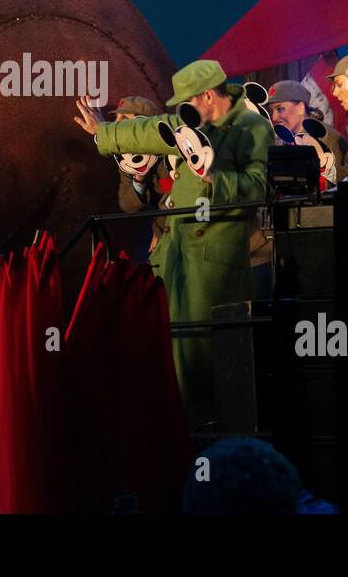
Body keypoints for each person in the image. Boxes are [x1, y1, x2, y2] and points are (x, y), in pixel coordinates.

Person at [75, 59, 270, 423]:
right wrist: (103, 133)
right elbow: (154, 129)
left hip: (213, 259)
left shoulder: (251, 126)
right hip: (174, 256)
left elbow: (258, 189)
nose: (183, 111)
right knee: (168, 352)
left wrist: (213, 174)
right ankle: (174, 437)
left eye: (189, 102)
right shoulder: (192, 121)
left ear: (208, 95)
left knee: (200, 358)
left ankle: (202, 439)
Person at [76, 95, 171, 258]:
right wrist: (139, 178)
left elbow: (173, 196)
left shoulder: (167, 157)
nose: (117, 124)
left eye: (124, 118)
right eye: (116, 118)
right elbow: (127, 205)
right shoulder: (127, 161)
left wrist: (159, 231)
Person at [267, 79, 348, 187]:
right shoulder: (288, 139)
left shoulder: (323, 136)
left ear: (301, 107)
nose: (274, 117)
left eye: (280, 109)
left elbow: (336, 183)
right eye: (271, 111)